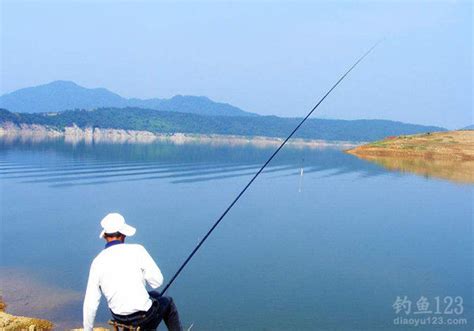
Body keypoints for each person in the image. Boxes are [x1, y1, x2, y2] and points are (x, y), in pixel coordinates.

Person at [83, 213, 183, 331]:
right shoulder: (137, 250)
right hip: (143, 318)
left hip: (119, 318)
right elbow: (157, 282)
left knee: (155, 296)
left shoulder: (97, 262)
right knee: (167, 303)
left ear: (105, 235)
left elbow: (91, 302)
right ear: (123, 234)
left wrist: (87, 329)